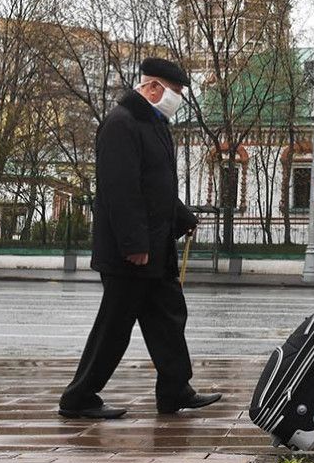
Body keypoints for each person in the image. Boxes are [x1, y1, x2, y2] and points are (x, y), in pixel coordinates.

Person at [59, 57, 222, 420]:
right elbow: (121, 191)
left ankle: (175, 390)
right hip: (130, 253)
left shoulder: (154, 124)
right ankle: (78, 398)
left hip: (155, 246)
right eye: (174, 92)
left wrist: (182, 217)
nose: (177, 99)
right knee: (114, 329)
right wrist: (134, 245)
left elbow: (155, 186)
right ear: (151, 88)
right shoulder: (121, 124)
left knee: (168, 318)